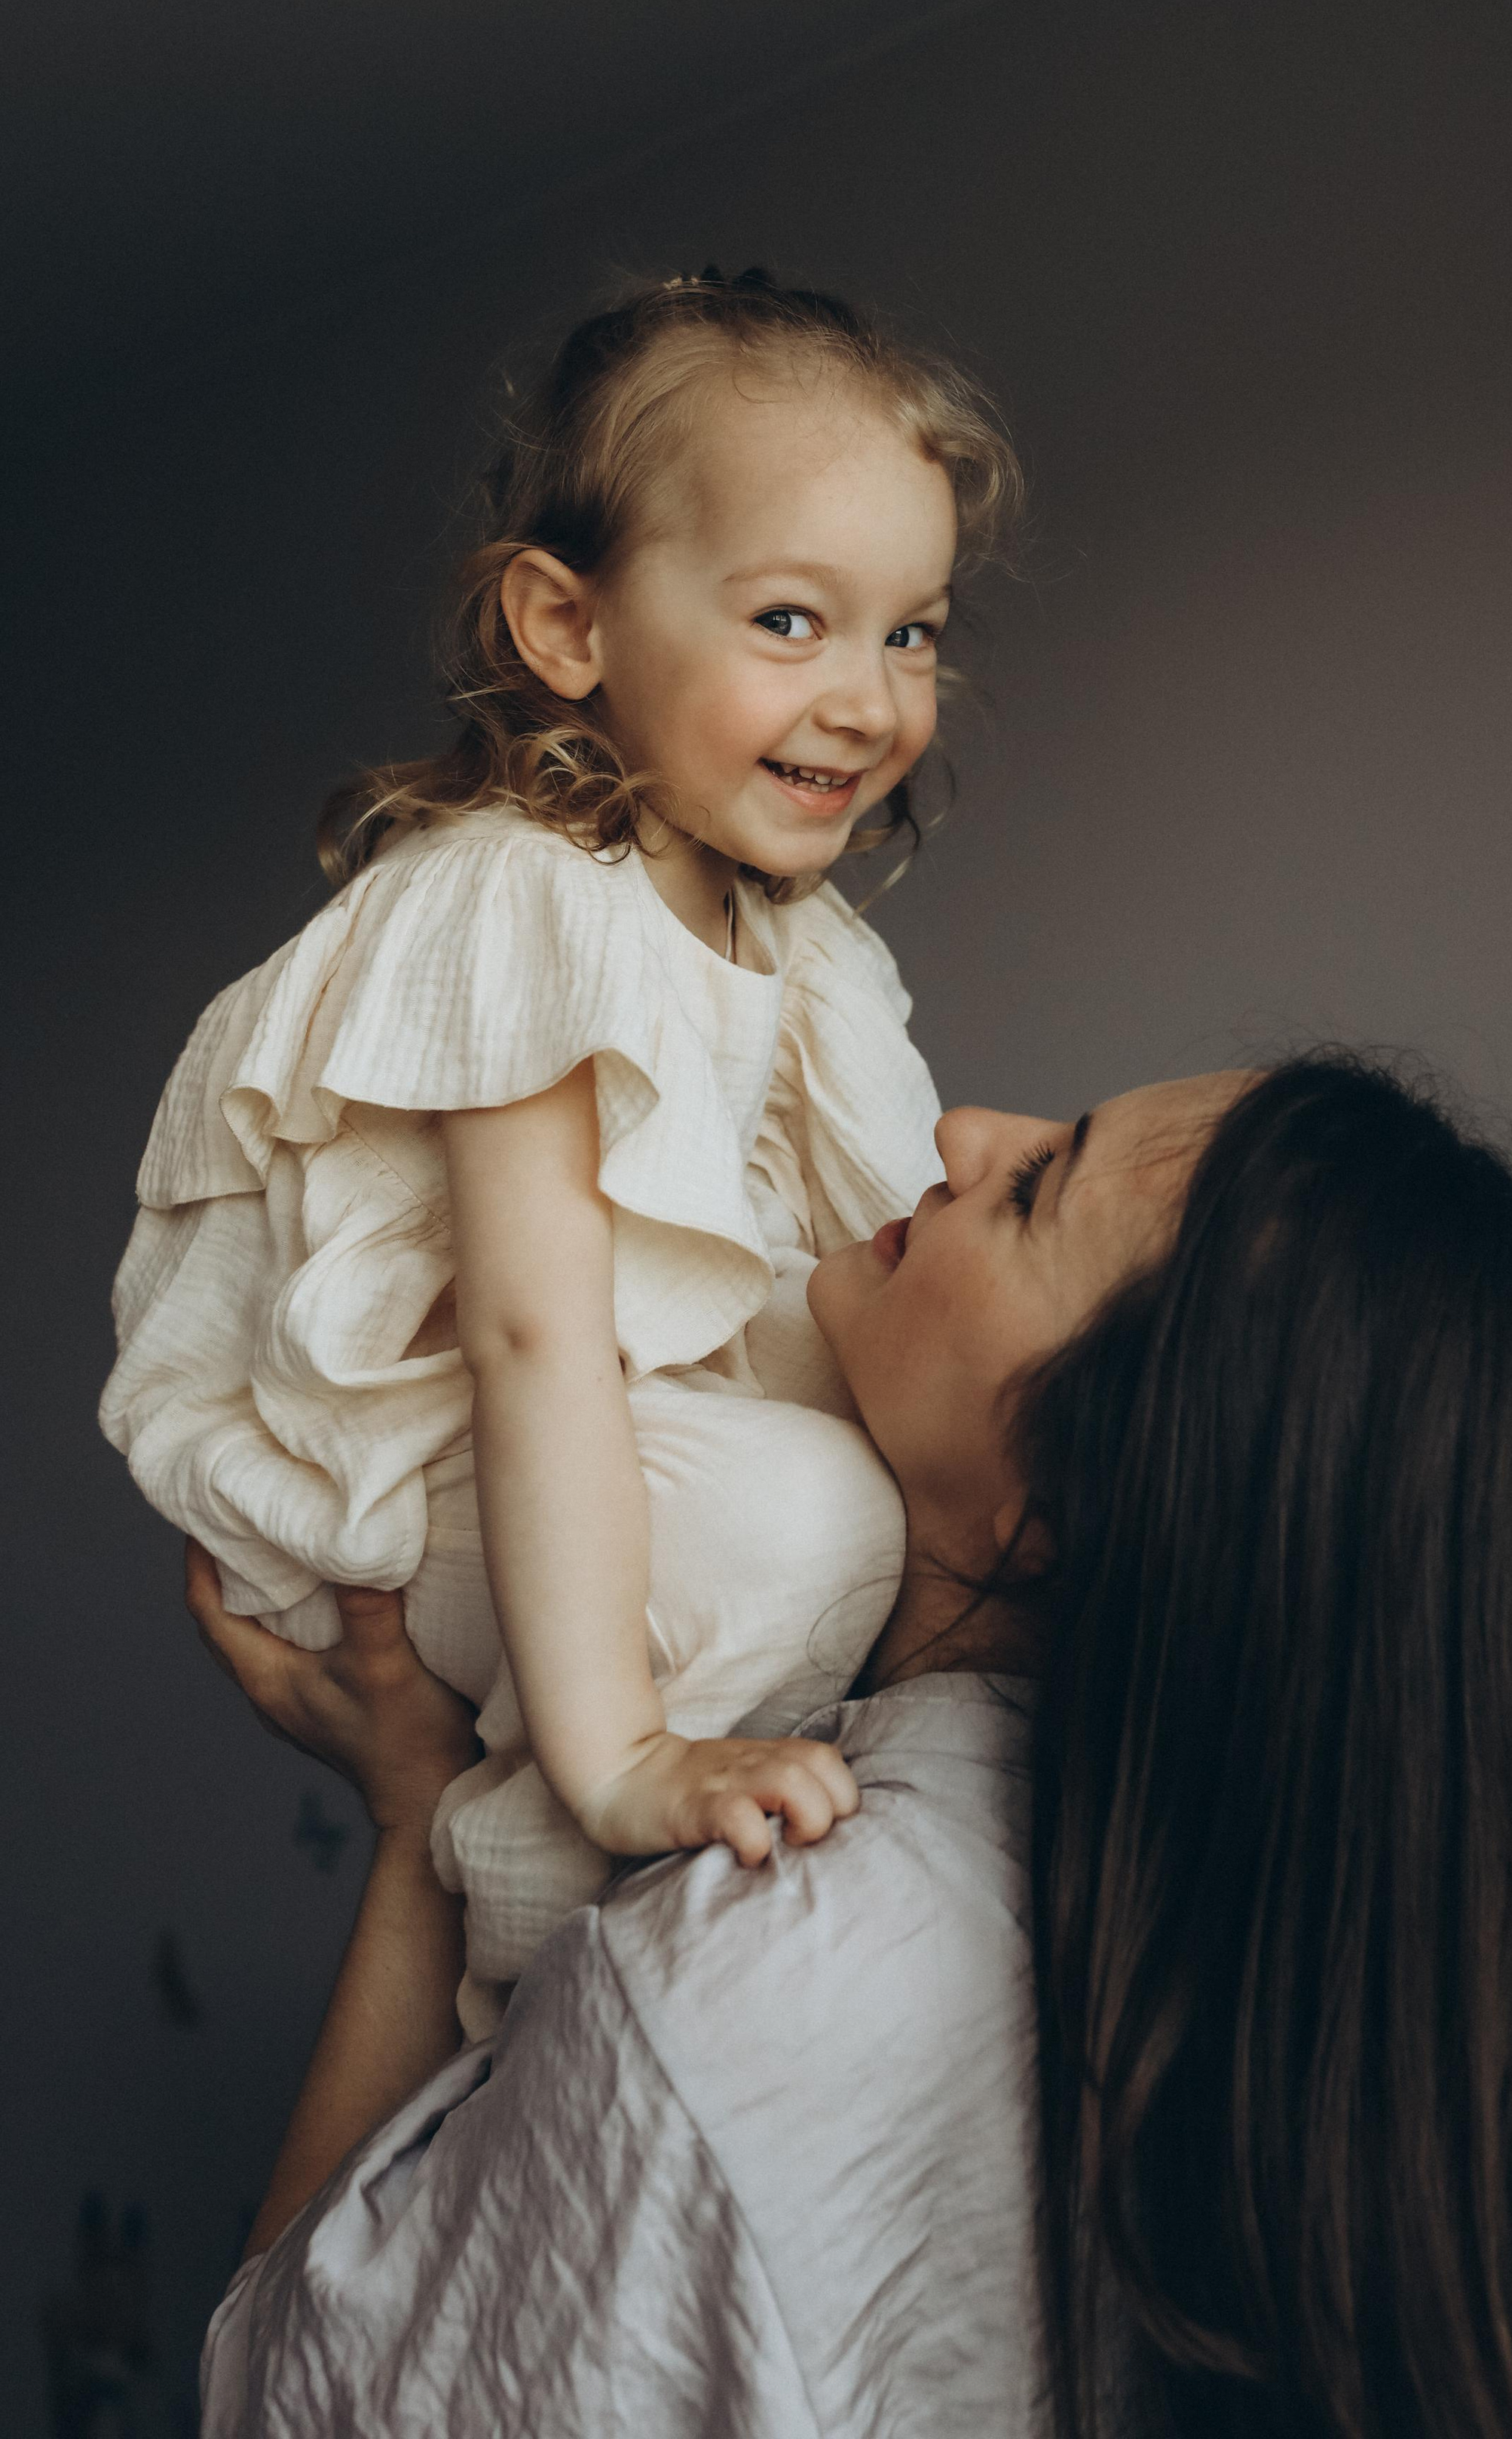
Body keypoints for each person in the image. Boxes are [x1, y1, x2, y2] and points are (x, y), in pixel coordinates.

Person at [189, 1054, 1512, 2439]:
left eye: (1036, 1188)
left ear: (1059, 1507)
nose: (964, 1132)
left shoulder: (749, 1993)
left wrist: (420, 1829)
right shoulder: (1338, 2096)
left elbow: (274, 2402)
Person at [100, 267, 1019, 2031]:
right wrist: (619, 1759)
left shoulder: (803, 949)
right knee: (813, 1521)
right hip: (400, 1474)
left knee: (906, 1491)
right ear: (566, 628)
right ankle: (530, 1863)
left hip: (605, 1447)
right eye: (790, 621)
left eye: (909, 631)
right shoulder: (524, 897)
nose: (870, 700)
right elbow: (536, 1341)